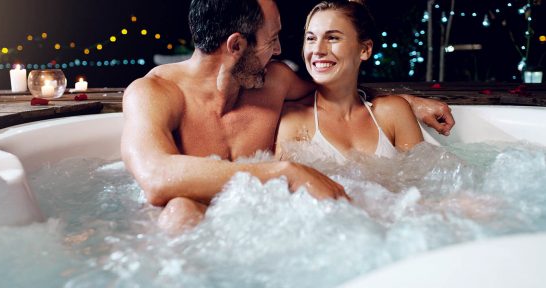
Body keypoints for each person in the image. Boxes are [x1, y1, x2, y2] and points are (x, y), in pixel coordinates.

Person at [121, 0, 454, 234]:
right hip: (185, 239)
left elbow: (335, 86)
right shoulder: (154, 93)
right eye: (272, 39)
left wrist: (407, 101)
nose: (280, 50)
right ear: (237, 45)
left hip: (260, 232)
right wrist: (286, 172)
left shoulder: (275, 82)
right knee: (181, 209)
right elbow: (155, 178)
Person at [276, 0, 423, 163]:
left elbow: (425, 182)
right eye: (311, 39)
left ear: (365, 50)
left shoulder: (393, 113)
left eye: (332, 38)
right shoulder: (295, 120)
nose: (317, 50)